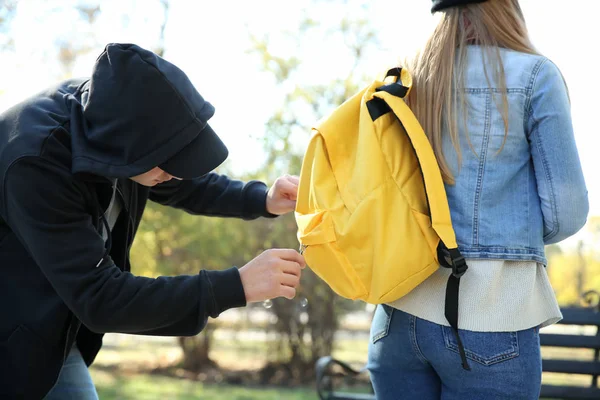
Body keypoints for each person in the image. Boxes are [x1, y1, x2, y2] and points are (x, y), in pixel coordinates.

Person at [0, 43, 306, 400]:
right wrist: (235, 286)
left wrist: (262, 199)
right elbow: (100, 297)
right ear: (126, 147)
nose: (174, 170)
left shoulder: (116, 123)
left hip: (48, 334)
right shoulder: (35, 163)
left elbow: (182, 183)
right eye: (167, 160)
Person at [367, 1, 588, 399]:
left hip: (395, 317)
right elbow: (567, 214)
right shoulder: (535, 75)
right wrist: (505, 227)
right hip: (490, 315)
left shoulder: (404, 77)